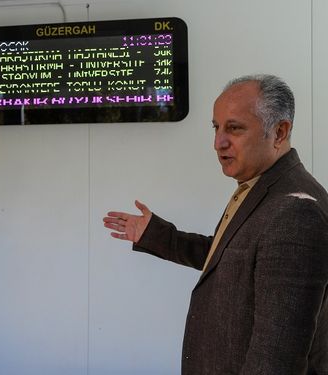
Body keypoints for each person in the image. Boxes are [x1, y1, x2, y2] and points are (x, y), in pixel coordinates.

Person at [103, 74, 328, 374]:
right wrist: (158, 236)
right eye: (216, 127)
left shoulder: (296, 210)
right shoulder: (262, 187)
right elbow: (232, 256)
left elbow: (276, 359)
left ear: (279, 132)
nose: (218, 142)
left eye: (234, 128)